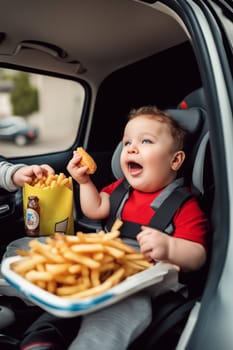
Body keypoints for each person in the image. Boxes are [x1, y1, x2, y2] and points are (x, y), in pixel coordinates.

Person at [62, 106, 209, 350]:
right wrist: (84, 182)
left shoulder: (184, 205)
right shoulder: (120, 188)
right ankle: (43, 336)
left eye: (146, 141)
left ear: (175, 160)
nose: (131, 147)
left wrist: (170, 246)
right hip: (99, 268)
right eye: (127, 141)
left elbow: (198, 255)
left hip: (139, 284)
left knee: (117, 316)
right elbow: (95, 209)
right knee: (58, 283)